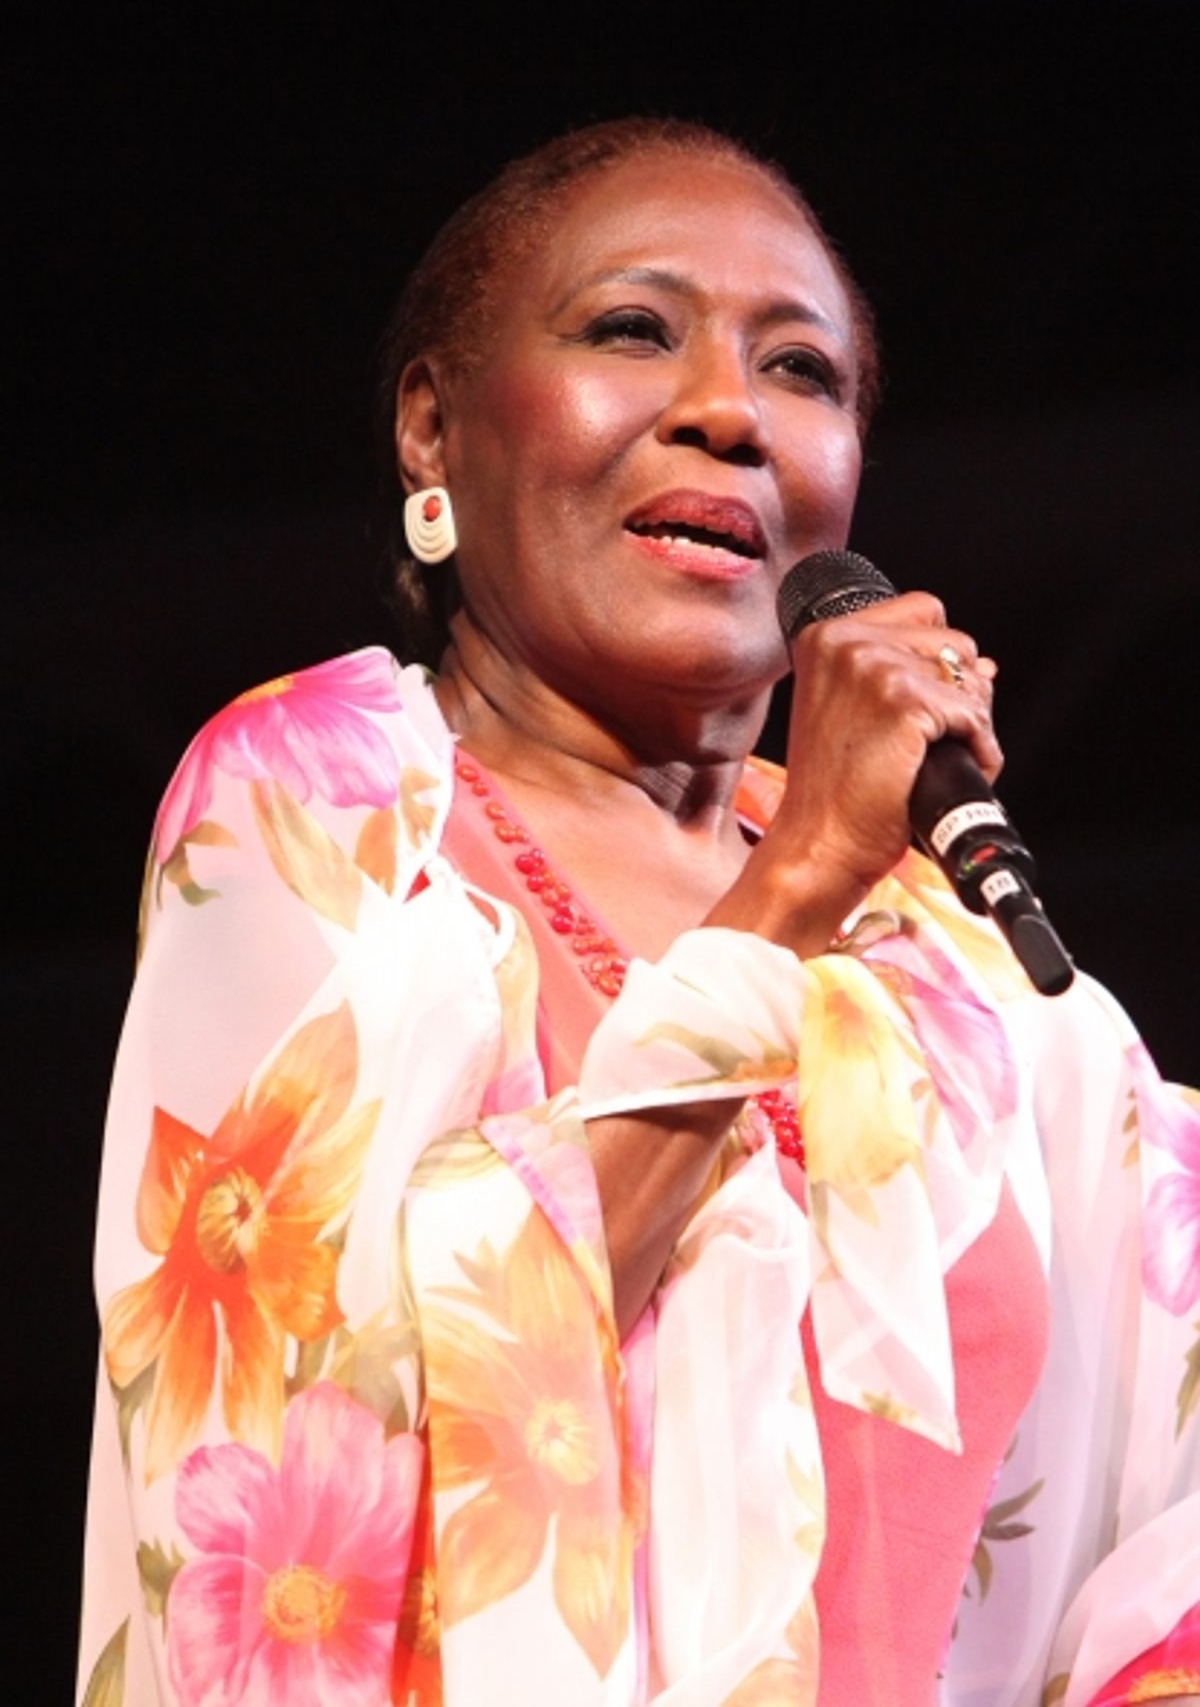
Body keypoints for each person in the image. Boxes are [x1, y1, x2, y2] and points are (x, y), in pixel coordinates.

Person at [77, 118, 1199, 1707]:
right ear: (431, 429)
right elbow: (317, 1426)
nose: (730, 412)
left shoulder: (963, 959)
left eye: (804, 373)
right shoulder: (327, 799)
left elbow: (1162, 1506)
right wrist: (795, 877)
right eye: (632, 330)